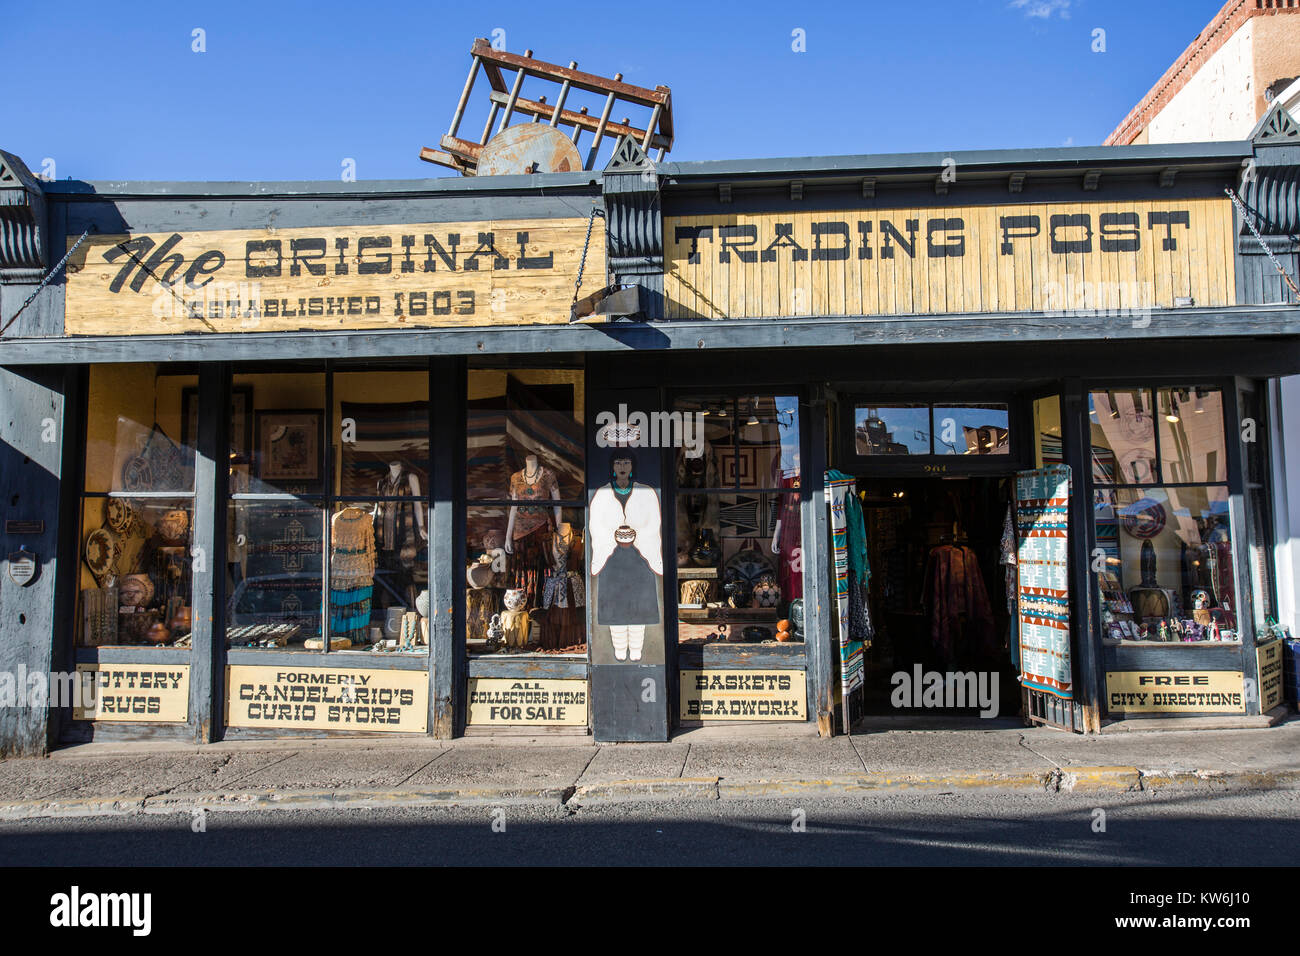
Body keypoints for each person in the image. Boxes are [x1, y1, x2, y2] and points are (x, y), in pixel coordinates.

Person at [589, 451, 662, 661]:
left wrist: (636, 534)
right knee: (615, 607)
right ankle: (620, 651)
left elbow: (653, 522)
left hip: (640, 557)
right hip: (612, 558)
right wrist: (613, 535)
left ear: (632, 466)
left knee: (639, 606)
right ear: (612, 467)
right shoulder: (601, 494)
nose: (622, 466)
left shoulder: (646, 492)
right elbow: (596, 524)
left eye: (626, 462)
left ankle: (637, 650)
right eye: (618, 462)